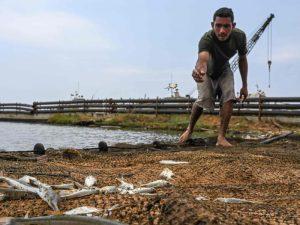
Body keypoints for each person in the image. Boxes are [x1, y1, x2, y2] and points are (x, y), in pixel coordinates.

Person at [179, 7, 248, 147]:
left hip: (224, 69)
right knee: (204, 98)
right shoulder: (206, 39)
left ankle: (221, 138)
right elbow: (203, 59)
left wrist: (245, 85)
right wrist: (200, 70)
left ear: (233, 26)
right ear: (212, 25)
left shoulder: (240, 37)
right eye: (218, 26)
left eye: (226, 26)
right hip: (207, 71)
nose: (222, 31)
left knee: (229, 95)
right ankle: (189, 129)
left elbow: (242, 59)